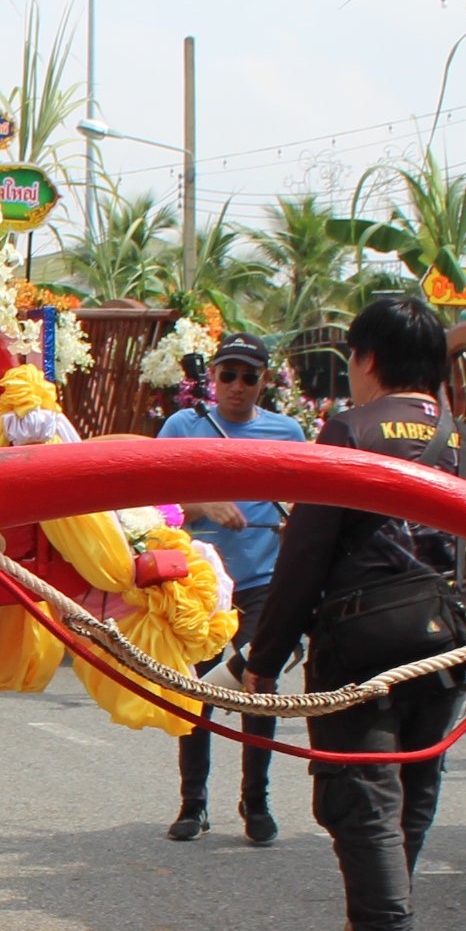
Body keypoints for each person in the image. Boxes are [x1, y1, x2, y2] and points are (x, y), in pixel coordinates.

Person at [240, 292, 466, 931]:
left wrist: (268, 654)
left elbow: (307, 550)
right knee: (411, 797)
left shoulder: (347, 431)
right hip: (445, 642)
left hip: (360, 640)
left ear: (369, 359)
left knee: (362, 800)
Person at [154, 334, 307, 842]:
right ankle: (192, 803)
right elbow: (150, 505)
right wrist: (204, 507)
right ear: (212, 378)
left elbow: (311, 504)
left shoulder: (288, 432)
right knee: (197, 692)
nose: (237, 387)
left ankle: (256, 802)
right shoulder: (183, 426)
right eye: (227, 375)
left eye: (249, 376)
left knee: (258, 686)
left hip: (266, 584)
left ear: (265, 380)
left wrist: (296, 524)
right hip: (200, 581)